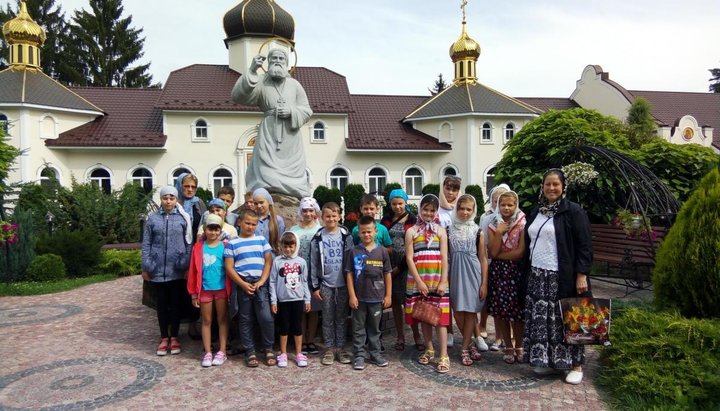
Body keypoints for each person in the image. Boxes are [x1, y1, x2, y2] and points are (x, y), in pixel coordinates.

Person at [523, 169, 592, 385]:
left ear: (563, 187)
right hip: (537, 275)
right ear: (542, 186)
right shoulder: (537, 212)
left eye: (556, 184)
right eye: (547, 184)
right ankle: (550, 361)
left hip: (562, 275)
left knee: (568, 318)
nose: (551, 188)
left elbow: (585, 246)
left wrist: (582, 275)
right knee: (544, 322)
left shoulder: (573, 212)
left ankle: (576, 365)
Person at [231, 48, 313, 198]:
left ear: (287, 63)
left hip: (291, 136)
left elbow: (307, 110)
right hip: (269, 132)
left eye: (281, 59)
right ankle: (267, 191)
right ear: (268, 62)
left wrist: (291, 111)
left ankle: (294, 190)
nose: (277, 61)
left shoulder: (294, 84)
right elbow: (238, 97)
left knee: (294, 169)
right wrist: (252, 70)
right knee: (265, 168)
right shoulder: (262, 81)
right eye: (273, 58)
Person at [141, 186, 192, 356]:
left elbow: (188, 242)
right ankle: (164, 337)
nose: (168, 201)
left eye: (171, 198)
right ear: (161, 200)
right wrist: (146, 265)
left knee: (176, 304)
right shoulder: (153, 219)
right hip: (157, 269)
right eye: (165, 198)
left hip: (176, 269)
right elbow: (146, 243)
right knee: (161, 305)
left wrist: (185, 264)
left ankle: (175, 336)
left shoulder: (183, 218)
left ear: (176, 199)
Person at [405, 194, 451, 373]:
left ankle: (444, 354)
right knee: (424, 315)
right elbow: (409, 257)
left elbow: (445, 257)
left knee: (440, 319)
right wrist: (418, 282)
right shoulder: (411, 231)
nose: (429, 213)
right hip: (419, 280)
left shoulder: (441, 231)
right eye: (425, 209)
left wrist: (443, 281)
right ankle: (429, 348)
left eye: (432, 210)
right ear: (420, 209)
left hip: (437, 279)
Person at [224, 208, 276, 367]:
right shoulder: (232, 243)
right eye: (247, 223)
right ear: (239, 222)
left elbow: (268, 262)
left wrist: (262, 281)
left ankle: (268, 348)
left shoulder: (261, 240)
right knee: (245, 319)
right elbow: (229, 267)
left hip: (260, 284)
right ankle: (250, 351)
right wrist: (242, 284)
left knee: (266, 318)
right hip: (242, 284)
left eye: (253, 224)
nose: (250, 227)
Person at [309, 202, 354, 366]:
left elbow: (351, 260)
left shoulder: (345, 236)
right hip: (325, 283)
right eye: (327, 216)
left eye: (334, 216)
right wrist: (314, 286)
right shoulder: (318, 238)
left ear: (339, 216)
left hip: (342, 283)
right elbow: (313, 262)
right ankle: (329, 348)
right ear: (322, 217)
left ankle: (340, 348)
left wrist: (352, 283)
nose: (331, 219)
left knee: (341, 316)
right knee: (327, 316)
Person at [346, 215, 393, 370]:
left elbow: (387, 274)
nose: (366, 235)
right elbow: (349, 274)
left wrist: (388, 295)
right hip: (359, 299)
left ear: (375, 231)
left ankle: (375, 353)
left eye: (369, 232)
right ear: (358, 233)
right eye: (363, 232)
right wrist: (352, 295)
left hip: (376, 297)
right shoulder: (353, 251)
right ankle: (359, 355)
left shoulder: (382, 252)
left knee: (374, 328)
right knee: (358, 328)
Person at [380, 189, 422, 352]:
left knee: (410, 303)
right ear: (390, 204)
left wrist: (399, 268)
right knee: (396, 303)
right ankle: (400, 336)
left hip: (407, 267)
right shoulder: (386, 220)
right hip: (389, 267)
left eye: (400, 203)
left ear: (406, 203)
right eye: (394, 204)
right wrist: (388, 268)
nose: (397, 207)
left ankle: (416, 335)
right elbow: (382, 240)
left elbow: (413, 245)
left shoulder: (413, 220)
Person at [448, 194, 488, 366]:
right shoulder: (449, 230)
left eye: (468, 209)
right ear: (456, 209)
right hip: (455, 271)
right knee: (457, 310)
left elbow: (483, 258)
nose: (464, 212)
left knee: (470, 310)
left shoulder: (478, 231)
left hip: (473, 272)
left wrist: (484, 282)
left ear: (474, 211)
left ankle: (464, 348)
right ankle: (470, 343)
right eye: (461, 208)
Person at [187, 214, 232, 367]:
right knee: (206, 321)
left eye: (216, 229)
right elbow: (193, 271)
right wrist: (194, 293)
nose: (213, 233)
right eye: (210, 229)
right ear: (205, 229)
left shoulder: (225, 246)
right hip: (205, 290)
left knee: (222, 320)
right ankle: (207, 351)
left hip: (221, 289)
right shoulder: (198, 247)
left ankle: (222, 351)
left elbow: (230, 269)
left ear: (220, 230)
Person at [487, 190, 527, 365]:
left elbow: (519, 253)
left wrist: (501, 256)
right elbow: (492, 252)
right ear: (497, 206)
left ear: (516, 205)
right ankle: (508, 346)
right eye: (503, 204)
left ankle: (520, 345)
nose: (506, 208)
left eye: (510, 205)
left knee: (517, 312)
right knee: (501, 312)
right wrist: (499, 232)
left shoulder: (522, 223)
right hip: (499, 273)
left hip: (516, 272)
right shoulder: (493, 224)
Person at [270, 231, 311, 368]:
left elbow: (305, 281)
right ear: (281, 246)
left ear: (296, 246)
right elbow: (273, 282)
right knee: (284, 327)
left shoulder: (301, 262)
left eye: (291, 246)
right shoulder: (277, 262)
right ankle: (283, 353)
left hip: (298, 299)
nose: (288, 250)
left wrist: (307, 299)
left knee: (297, 326)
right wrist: (274, 300)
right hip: (283, 300)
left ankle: (299, 353)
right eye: (285, 247)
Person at [479, 184, 510, 351]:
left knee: (504, 301)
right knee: (488, 296)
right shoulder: (485, 217)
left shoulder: (511, 217)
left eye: (501, 200)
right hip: (488, 260)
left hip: (506, 263)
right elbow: (482, 239)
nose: (498, 203)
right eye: (495, 200)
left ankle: (504, 336)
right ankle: (484, 327)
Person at [175, 172, 206, 339]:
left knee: (194, 287)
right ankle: (176, 327)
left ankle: (193, 324)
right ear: (180, 186)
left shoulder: (199, 203)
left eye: (193, 187)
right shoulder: (174, 202)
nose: (190, 189)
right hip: (177, 250)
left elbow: (205, 224)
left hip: (195, 251)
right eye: (186, 186)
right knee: (179, 290)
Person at [290, 197, 322, 355]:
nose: (308, 213)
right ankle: (301, 340)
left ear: (315, 211)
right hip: (297, 274)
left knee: (314, 309)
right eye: (305, 210)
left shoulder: (319, 229)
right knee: (301, 308)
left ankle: (311, 340)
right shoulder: (294, 230)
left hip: (314, 274)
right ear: (300, 212)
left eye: (311, 210)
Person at [437, 175, 461, 347]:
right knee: (445, 296)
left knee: (461, 296)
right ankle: (449, 330)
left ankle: (474, 334)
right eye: (448, 188)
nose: (451, 192)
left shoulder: (462, 208)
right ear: (443, 188)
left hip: (460, 258)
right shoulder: (437, 209)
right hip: (442, 258)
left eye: (454, 189)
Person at [253, 188, 285, 254]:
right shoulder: (252, 220)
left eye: (261, 202)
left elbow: (281, 242)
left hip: (273, 258)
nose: (259, 206)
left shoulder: (278, 220)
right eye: (256, 203)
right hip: (255, 257)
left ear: (268, 202)